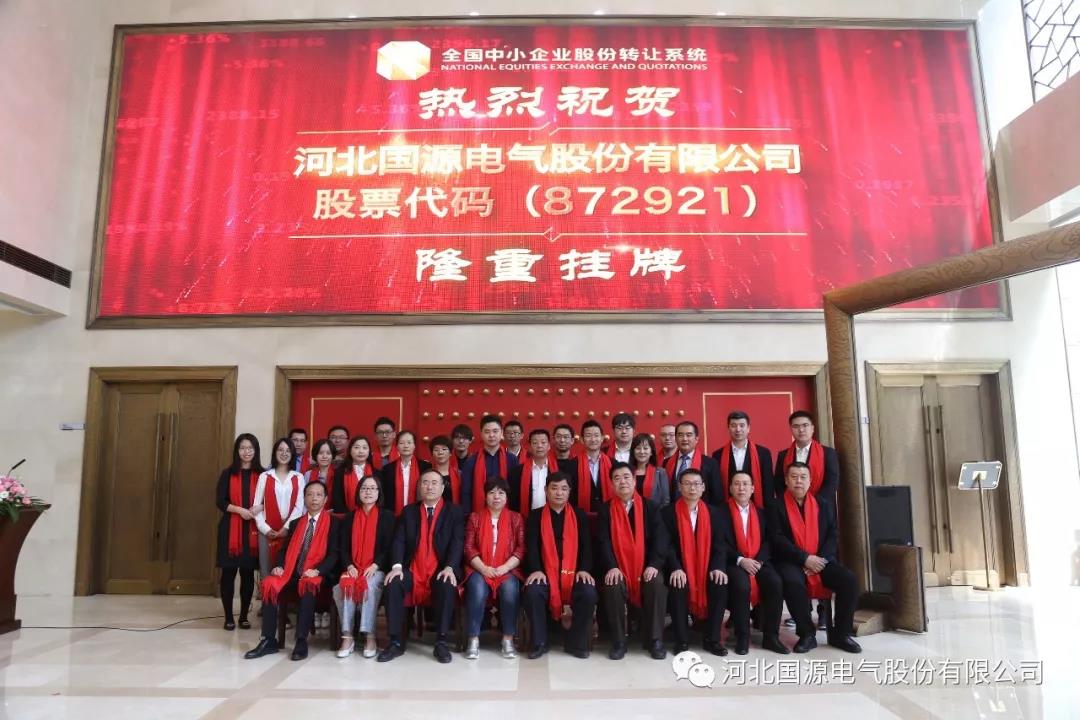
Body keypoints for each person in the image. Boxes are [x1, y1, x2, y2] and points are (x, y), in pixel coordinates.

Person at [244, 480, 341, 661]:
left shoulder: (334, 523)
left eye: (318, 494)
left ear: (325, 499)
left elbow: (334, 554)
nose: (314, 498)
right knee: (269, 584)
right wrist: (279, 566)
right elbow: (284, 550)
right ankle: (268, 640)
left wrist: (318, 571)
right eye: (310, 494)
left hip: (318, 575)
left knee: (308, 585)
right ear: (304, 498)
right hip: (292, 571)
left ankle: (301, 641)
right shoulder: (296, 523)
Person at [771, 462, 861, 654]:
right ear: (786, 480)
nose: (798, 481)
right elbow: (777, 540)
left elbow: (832, 534)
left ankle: (841, 634)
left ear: (810, 481)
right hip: (791, 561)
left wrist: (820, 559)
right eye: (794, 477)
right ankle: (807, 635)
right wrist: (805, 559)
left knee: (848, 580)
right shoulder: (775, 506)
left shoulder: (824, 504)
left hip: (821, 560)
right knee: (793, 582)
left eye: (803, 477)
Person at [378, 470, 466, 664]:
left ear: (442, 487)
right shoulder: (409, 512)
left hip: (440, 568)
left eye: (434, 483)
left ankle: (441, 641)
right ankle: (395, 642)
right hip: (412, 568)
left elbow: (457, 542)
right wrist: (397, 566)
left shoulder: (455, 512)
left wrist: (450, 567)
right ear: (419, 487)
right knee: (393, 583)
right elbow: (399, 540)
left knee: (446, 584)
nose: (429, 486)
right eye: (425, 482)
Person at [595, 462, 670, 660]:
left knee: (656, 584)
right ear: (612, 484)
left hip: (646, 567)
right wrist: (612, 567)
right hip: (618, 567)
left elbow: (661, 540)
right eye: (617, 478)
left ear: (634, 480)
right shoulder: (605, 509)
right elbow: (603, 542)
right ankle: (619, 641)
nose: (623, 481)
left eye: (626, 477)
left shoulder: (650, 507)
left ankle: (655, 640)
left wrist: (654, 565)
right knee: (612, 585)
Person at [523, 471, 597, 659]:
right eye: (554, 488)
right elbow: (531, 547)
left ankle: (576, 643)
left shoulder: (579, 515)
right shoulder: (535, 516)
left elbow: (587, 547)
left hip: (574, 573)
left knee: (588, 593)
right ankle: (540, 642)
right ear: (546, 490)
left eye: (564, 489)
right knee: (533, 592)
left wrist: (584, 569)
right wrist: (536, 570)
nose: (559, 493)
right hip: (545, 573)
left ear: (569, 491)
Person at [718, 471, 787, 655]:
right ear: (730, 488)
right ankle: (742, 636)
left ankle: (771, 637)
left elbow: (769, 541)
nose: (741, 488)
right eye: (737, 484)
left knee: (775, 582)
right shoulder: (720, 512)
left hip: (758, 561)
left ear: (753, 489)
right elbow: (719, 543)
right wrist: (741, 560)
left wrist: (758, 560)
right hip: (734, 562)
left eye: (745, 484)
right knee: (741, 585)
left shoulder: (762, 513)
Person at [662, 469, 727, 656]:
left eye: (696, 484)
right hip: (679, 567)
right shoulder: (668, 513)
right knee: (678, 584)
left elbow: (720, 545)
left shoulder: (715, 514)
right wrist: (676, 568)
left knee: (719, 583)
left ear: (703, 487)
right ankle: (681, 640)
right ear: (680, 487)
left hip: (707, 566)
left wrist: (717, 567)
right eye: (688, 484)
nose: (692, 488)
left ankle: (712, 639)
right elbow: (666, 545)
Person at [463, 477, 525, 659]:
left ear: (506, 497)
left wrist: (505, 567)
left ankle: (508, 639)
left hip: (507, 569)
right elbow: (469, 548)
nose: (496, 496)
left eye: (501, 493)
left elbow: (521, 548)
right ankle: (473, 639)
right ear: (485, 496)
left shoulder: (516, 518)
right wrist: (483, 568)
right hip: (480, 568)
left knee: (510, 590)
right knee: (476, 589)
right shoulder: (475, 518)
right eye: (491, 492)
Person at [334, 475, 394, 659]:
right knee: (344, 586)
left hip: (376, 568)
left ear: (379, 492)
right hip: (353, 567)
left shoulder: (387, 517)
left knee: (368, 584)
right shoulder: (350, 517)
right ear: (358, 492)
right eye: (364, 488)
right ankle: (347, 637)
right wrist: (349, 565)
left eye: (372, 488)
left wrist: (376, 565)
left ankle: (369, 636)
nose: (368, 492)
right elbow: (342, 547)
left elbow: (389, 547)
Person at [216, 433, 263, 631]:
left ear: (256, 450)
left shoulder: (263, 474)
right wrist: (240, 510)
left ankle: (244, 616)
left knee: (247, 574)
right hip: (230, 529)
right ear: (237, 451)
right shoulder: (228, 473)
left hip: (253, 529)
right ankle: (228, 617)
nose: (246, 452)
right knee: (228, 574)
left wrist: (259, 507)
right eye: (242, 448)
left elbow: (270, 499)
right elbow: (220, 501)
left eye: (250, 448)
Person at [253, 439, 305, 579]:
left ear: (292, 454)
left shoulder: (298, 477)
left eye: (288, 450)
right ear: (275, 453)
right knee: (266, 571)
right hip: (266, 531)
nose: (284, 453)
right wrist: (265, 529)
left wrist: (286, 528)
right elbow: (256, 506)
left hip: (290, 531)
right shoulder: (265, 476)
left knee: (287, 570)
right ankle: (266, 594)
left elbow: (299, 506)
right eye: (280, 450)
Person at [711, 411, 775, 509]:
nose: (738, 429)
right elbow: (716, 487)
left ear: (748, 428)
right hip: (727, 508)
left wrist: (768, 509)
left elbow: (768, 484)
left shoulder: (763, 453)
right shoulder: (718, 455)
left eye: (742, 425)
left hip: (757, 507)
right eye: (733, 425)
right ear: (728, 428)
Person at [773, 411, 839, 506]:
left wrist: (813, 503)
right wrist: (790, 503)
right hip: (790, 507)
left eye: (805, 425)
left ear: (812, 428)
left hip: (822, 506)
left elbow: (832, 483)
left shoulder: (828, 453)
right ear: (791, 429)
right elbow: (779, 483)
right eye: (796, 426)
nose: (801, 430)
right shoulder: (783, 455)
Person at [463, 415, 519, 515]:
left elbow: (515, 491)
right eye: (487, 432)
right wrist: (468, 515)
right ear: (481, 434)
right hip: (479, 514)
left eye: (495, 431)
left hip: (506, 514)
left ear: (501, 433)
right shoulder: (471, 461)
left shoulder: (512, 460)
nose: (491, 435)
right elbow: (466, 492)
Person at [508, 428, 558, 517]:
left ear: (549, 446)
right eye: (535, 443)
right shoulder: (517, 472)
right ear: (530, 447)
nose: (539, 446)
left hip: (552, 517)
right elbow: (513, 500)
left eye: (543, 442)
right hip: (527, 517)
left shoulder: (558, 470)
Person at [380, 430, 432, 515]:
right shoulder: (388, 469)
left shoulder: (425, 467)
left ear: (414, 446)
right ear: (397, 446)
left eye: (409, 442)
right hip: (392, 514)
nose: (406, 446)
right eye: (402, 443)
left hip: (419, 514)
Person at [671, 421, 723, 504]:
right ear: (676, 439)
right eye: (680, 435)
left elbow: (717, 495)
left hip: (701, 510)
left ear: (696, 439)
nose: (684, 439)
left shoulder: (710, 463)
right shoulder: (668, 462)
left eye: (689, 435)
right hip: (673, 509)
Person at [574, 420, 612, 512]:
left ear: (602, 438)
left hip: (607, 515)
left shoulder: (613, 463)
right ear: (582, 440)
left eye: (596, 435)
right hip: (581, 515)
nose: (593, 439)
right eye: (588, 435)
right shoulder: (572, 465)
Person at [332, 435, 375, 514]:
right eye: (356, 447)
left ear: (369, 451)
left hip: (372, 515)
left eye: (364, 448)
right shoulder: (340, 472)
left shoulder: (376, 473)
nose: (361, 451)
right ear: (350, 450)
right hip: (347, 516)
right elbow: (337, 499)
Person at [629, 433, 670, 507]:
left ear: (651, 452)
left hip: (654, 513)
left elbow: (665, 501)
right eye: (638, 448)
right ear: (633, 451)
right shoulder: (628, 472)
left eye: (645, 448)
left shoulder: (660, 472)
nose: (642, 452)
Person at [429, 435, 464, 505]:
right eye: (436, 450)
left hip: (454, 510)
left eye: (444, 449)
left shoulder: (459, 474)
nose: (440, 452)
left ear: (450, 453)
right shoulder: (428, 475)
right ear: (432, 454)